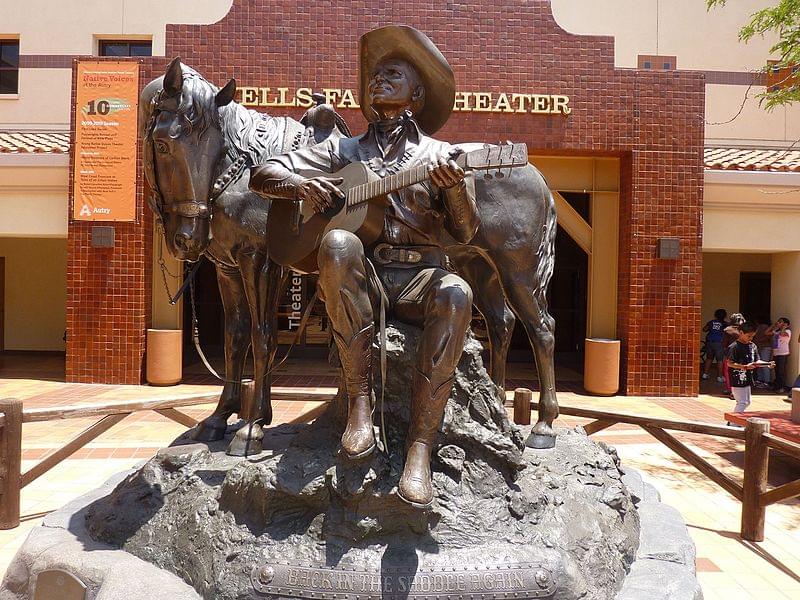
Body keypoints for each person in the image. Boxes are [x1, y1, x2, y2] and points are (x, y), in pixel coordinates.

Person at [250, 26, 479, 508]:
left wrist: (455, 189)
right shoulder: (344, 150)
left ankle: (419, 448)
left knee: (458, 292)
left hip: (423, 278)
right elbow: (262, 174)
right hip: (367, 275)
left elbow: (466, 234)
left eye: (392, 74)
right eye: (374, 75)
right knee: (335, 240)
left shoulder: (442, 156)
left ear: (416, 93)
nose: (378, 80)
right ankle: (359, 406)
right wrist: (302, 188)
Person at [726, 321, 763, 415]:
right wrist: (745, 367)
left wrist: (767, 364)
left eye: (752, 336)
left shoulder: (752, 346)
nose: (750, 338)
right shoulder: (734, 347)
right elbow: (729, 363)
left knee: (747, 401)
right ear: (741, 333)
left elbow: (757, 361)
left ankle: (733, 421)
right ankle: (734, 423)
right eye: (748, 336)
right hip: (737, 377)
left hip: (748, 377)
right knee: (742, 402)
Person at [721, 313, 745, 396]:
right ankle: (738, 391)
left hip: (730, 353)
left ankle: (731, 390)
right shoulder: (745, 330)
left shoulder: (728, 330)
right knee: (740, 371)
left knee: (728, 372)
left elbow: (724, 343)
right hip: (742, 352)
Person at [702, 308, 728, 382]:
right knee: (719, 360)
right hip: (719, 343)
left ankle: (705, 374)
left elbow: (704, 329)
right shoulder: (725, 324)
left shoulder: (711, 322)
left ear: (715, 315)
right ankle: (719, 377)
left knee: (709, 358)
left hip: (710, 342)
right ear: (725, 316)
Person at [767, 317, 792, 394]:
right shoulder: (776, 331)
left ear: (786, 324)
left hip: (783, 353)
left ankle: (781, 387)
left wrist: (783, 327)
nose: (778, 323)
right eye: (778, 321)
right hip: (776, 353)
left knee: (781, 371)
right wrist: (773, 326)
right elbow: (766, 333)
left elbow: (782, 334)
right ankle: (777, 386)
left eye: (780, 322)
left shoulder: (788, 331)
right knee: (776, 370)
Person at [752, 315, 773, 388]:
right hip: (762, 347)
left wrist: (758, 341)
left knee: (763, 364)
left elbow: (767, 337)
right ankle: (762, 381)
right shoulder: (763, 327)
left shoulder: (763, 327)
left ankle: (765, 381)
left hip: (764, 347)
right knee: (761, 364)